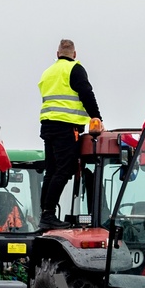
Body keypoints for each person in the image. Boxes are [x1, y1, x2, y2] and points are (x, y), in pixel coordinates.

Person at [37, 39, 103, 230]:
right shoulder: (75, 68)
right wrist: (96, 117)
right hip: (66, 127)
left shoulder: (48, 73)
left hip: (47, 126)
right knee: (65, 170)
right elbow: (86, 94)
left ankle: (45, 213)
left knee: (51, 170)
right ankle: (49, 214)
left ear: (57, 54)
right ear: (74, 54)